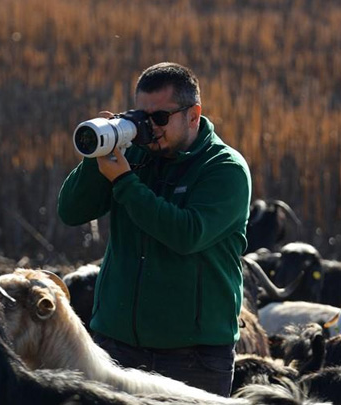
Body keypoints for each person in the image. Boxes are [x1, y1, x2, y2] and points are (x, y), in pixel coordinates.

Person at [57, 62, 251, 397]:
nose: (150, 128)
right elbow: (72, 211)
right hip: (114, 346)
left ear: (193, 115)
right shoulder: (134, 155)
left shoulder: (224, 170)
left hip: (192, 357)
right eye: (141, 117)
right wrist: (98, 155)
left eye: (160, 118)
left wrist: (124, 181)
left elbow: (187, 234)